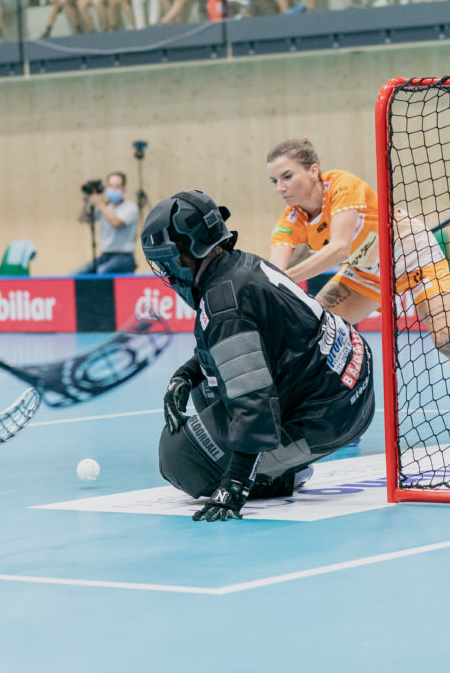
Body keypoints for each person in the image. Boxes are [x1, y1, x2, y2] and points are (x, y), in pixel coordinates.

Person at [264, 140, 450, 430]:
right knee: (314, 332)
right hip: (367, 274)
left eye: (287, 176)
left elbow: (339, 249)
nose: (280, 187)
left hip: (416, 258)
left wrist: (284, 278)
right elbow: (275, 272)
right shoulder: (289, 221)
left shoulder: (342, 185)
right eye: (274, 181)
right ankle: (345, 413)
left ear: (313, 170)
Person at [146, 190, 375, 521]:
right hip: (346, 383)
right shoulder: (240, 265)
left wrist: (234, 485)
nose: (168, 272)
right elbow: (240, 344)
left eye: (167, 261)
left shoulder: (223, 302)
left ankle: (284, 474)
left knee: (180, 458)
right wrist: (186, 375)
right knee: (204, 385)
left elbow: (253, 402)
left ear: (183, 257)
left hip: (331, 416)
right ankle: (275, 461)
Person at [75, 173, 139, 274]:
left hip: (125, 257)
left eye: (117, 186)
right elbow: (83, 219)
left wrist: (99, 203)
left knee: (102, 273)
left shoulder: (130, 207)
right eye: (111, 186)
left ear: (123, 189)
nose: (113, 189)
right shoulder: (106, 207)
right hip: (105, 255)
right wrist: (87, 200)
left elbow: (116, 222)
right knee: (77, 274)